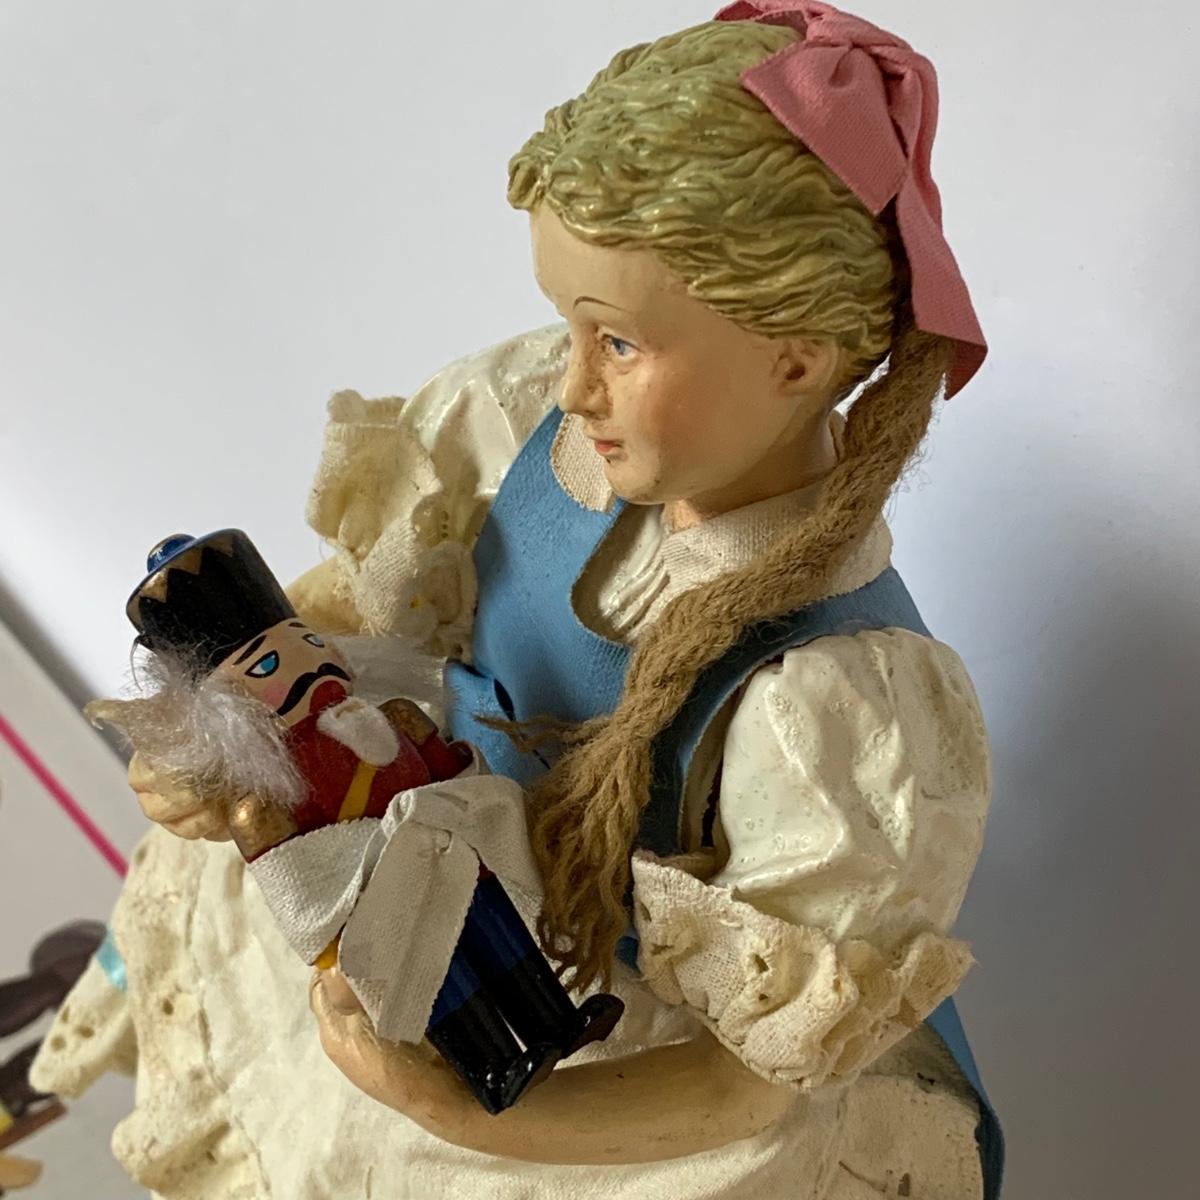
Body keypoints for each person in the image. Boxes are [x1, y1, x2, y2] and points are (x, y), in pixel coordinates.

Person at [35, 6, 1002, 1197]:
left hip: (605, 1059)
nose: (575, 381)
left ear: (795, 358)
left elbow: (751, 1082)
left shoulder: (846, 702)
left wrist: (473, 1115)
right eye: (569, 325)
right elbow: (354, 612)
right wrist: (226, 736)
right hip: (419, 871)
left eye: (621, 344)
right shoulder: (526, 421)